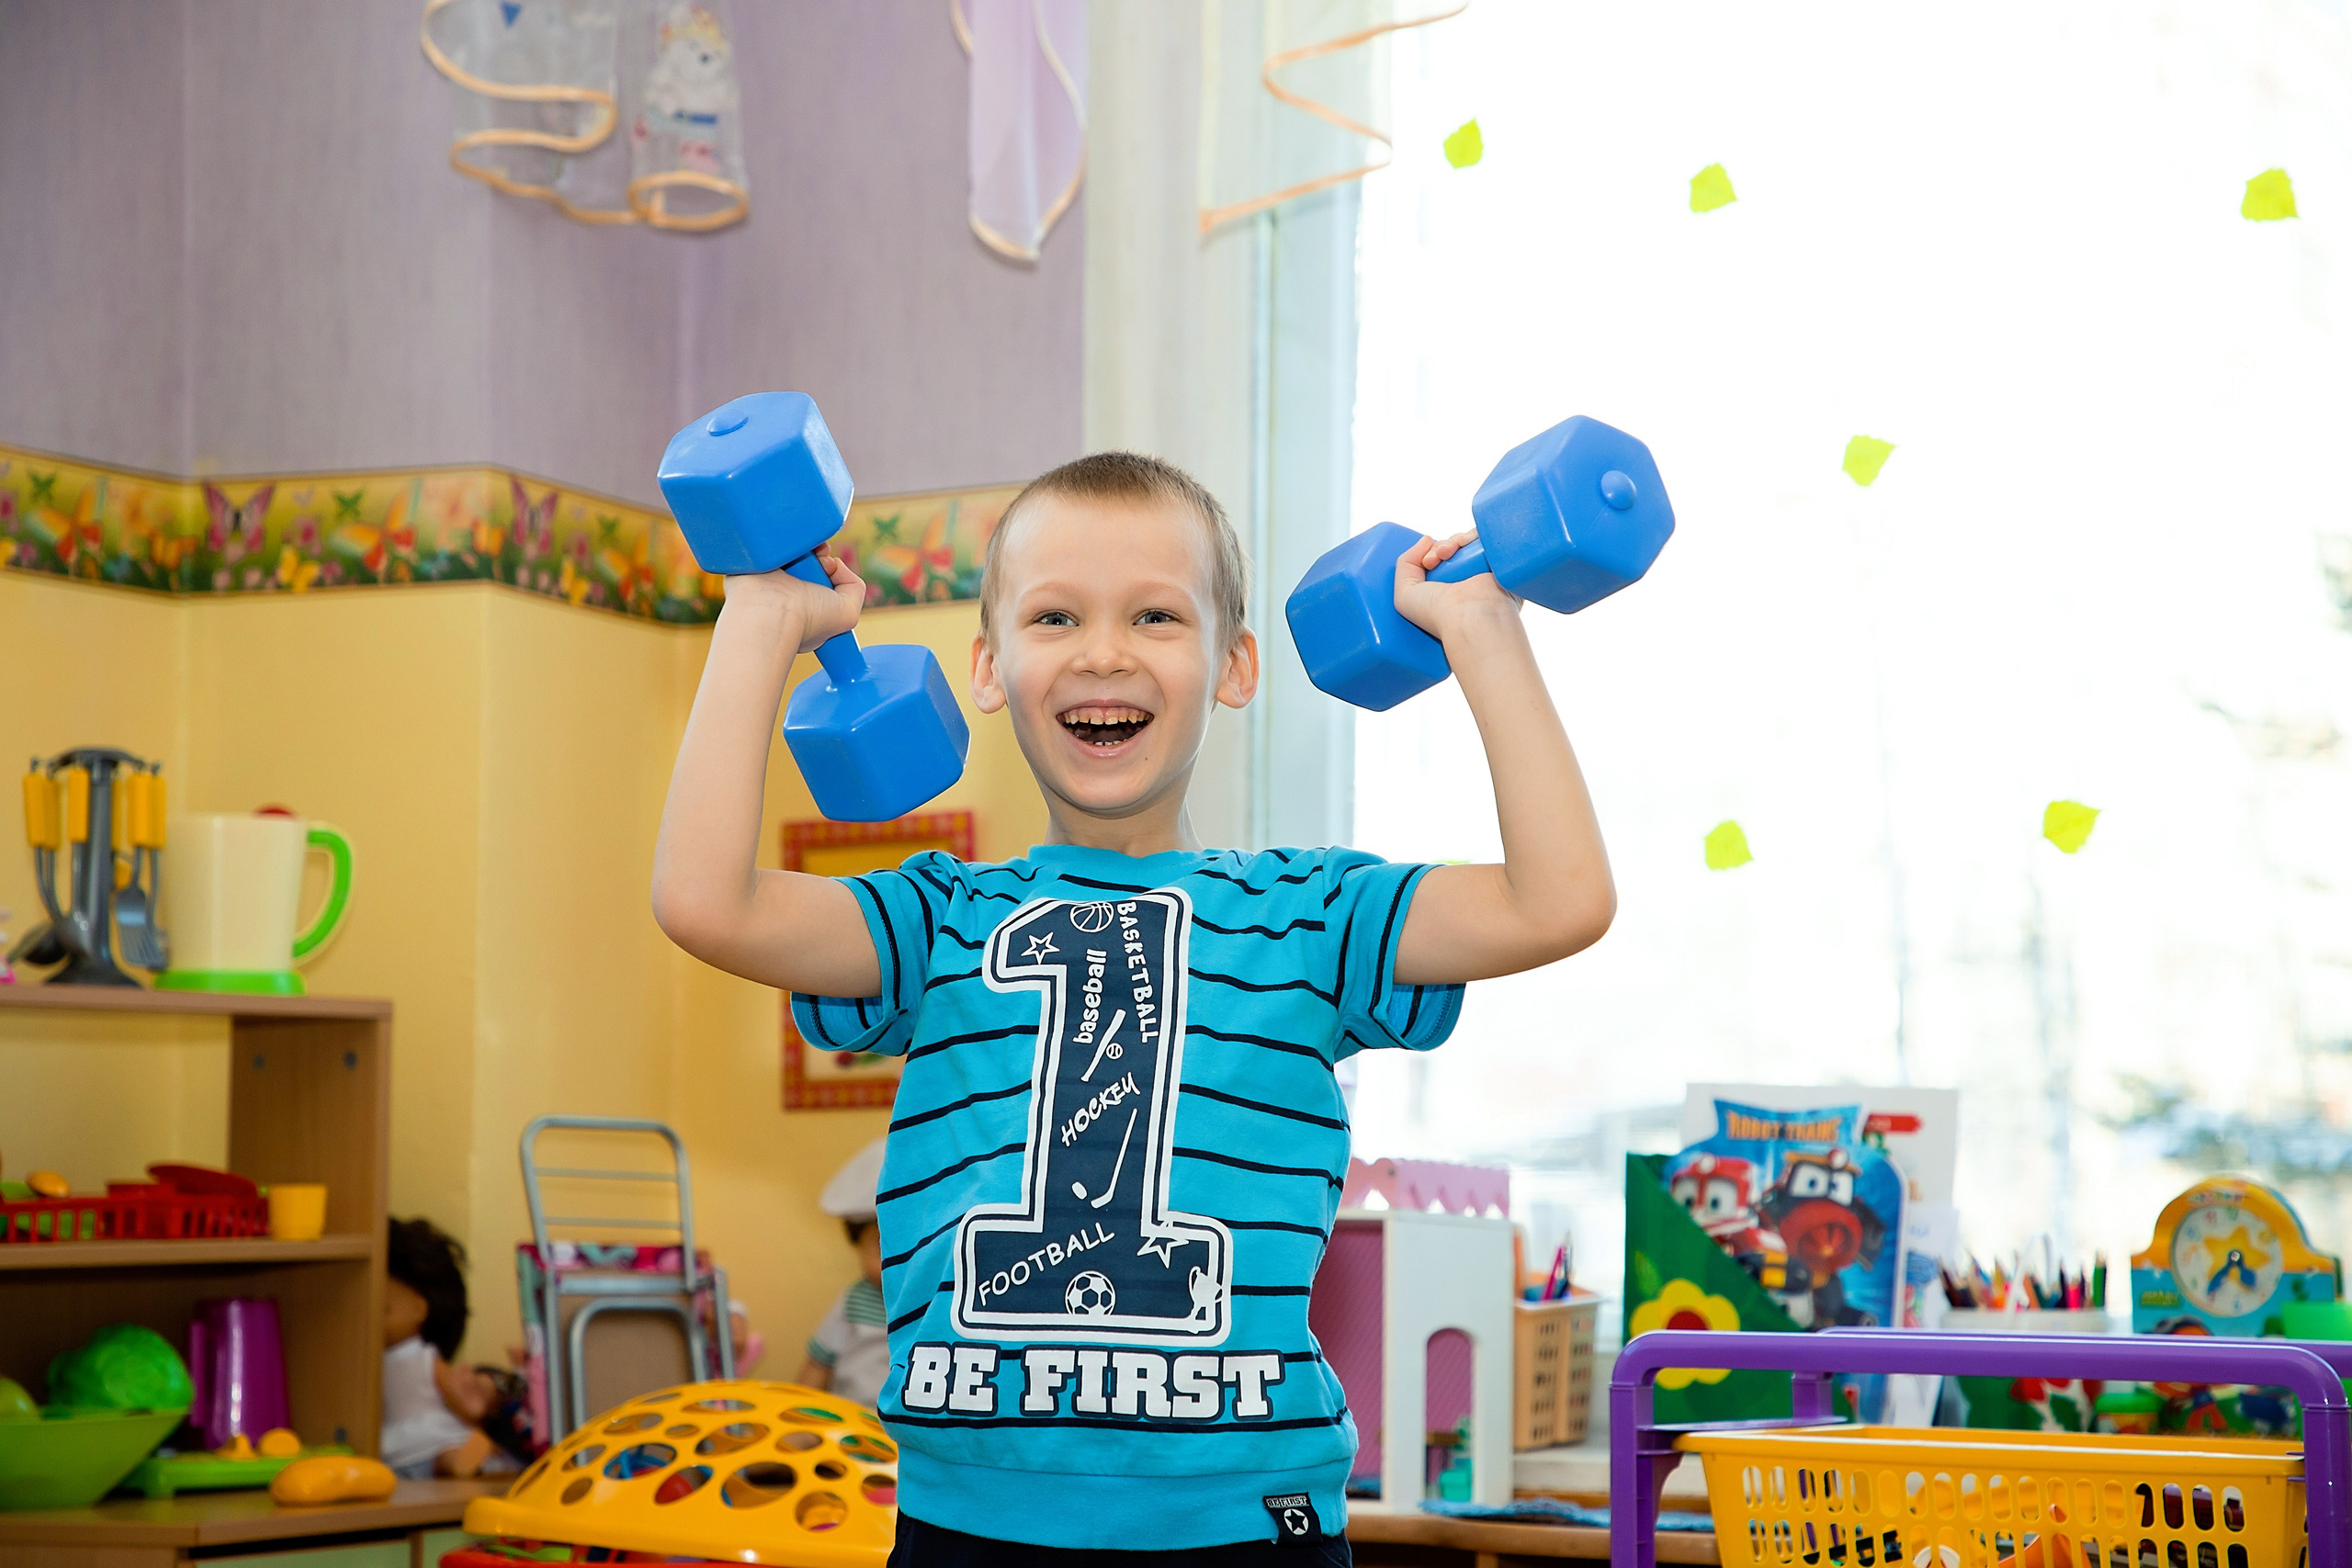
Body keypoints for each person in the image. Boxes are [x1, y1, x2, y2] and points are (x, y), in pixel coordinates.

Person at [650, 452, 1614, 1563]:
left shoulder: (1308, 915)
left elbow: (1559, 900)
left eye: (1155, 615)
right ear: (988, 668)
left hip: (1248, 1526)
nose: (1102, 651)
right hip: (969, 1521)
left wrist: (1483, 629)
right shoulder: (938, 918)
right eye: (1054, 616)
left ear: (1233, 666)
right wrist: (760, 624)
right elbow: (703, 901)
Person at [381, 1217, 520, 1479]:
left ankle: (472, 1457)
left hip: (430, 1434)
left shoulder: (425, 1359)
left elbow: (458, 1396)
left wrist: (472, 1408)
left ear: (419, 1310)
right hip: (393, 1441)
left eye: (384, 1309)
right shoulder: (370, 1362)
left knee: (448, 1454)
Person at [797, 1136, 890, 1406]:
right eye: (881, 1245)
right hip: (850, 1425)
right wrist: (799, 1418)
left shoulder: (941, 1303)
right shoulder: (853, 1302)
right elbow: (818, 1364)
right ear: (858, 1244)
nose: (894, 1262)